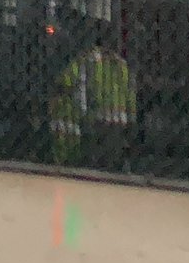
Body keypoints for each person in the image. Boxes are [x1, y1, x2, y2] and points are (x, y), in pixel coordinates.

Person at [48, 30, 134, 168]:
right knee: (111, 156)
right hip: (118, 118)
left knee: (97, 154)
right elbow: (129, 93)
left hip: (97, 116)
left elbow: (67, 82)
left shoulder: (88, 59)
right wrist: (131, 117)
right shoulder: (122, 65)